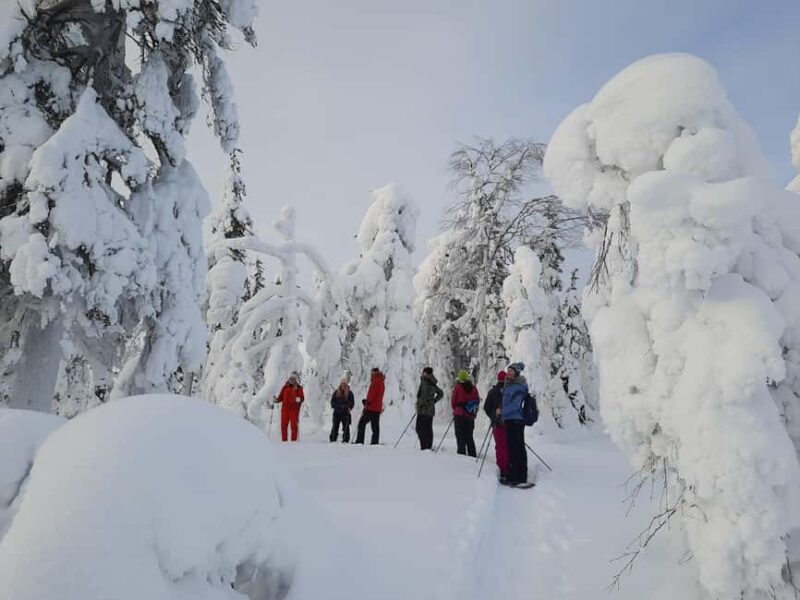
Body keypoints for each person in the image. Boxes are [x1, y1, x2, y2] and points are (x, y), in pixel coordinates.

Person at [501, 362, 529, 485]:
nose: (509, 373)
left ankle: (515, 477)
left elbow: (515, 405)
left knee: (515, 448)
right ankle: (520, 476)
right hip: (511, 420)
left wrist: (502, 411)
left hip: (515, 420)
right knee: (517, 447)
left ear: (516, 372)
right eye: (508, 371)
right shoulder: (511, 385)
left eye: (511, 371)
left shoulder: (518, 386)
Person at [483, 370, 509, 479]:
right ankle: (508, 468)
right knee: (508, 446)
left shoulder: (492, 392)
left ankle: (502, 469)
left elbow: (486, 407)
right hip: (509, 424)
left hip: (497, 424)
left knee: (500, 446)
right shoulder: (509, 391)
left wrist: (493, 416)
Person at [450, 370, 479, 457]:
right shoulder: (474, 388)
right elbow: (477, 400)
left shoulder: (458, 387)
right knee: (469, 436)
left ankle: (461, 455)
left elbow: (453, 401)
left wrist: (455, 409)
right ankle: (472, 454)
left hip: (460, 415)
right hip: (470, 415)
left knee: (460, 436)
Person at [415, 367, 443, 450]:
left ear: (426, 373)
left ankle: (425, 446)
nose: (422, 373)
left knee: (420, 428)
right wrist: (433, 401)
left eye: (423, 372)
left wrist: (421, 403)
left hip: (424, 409)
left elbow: (424, 396)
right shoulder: (430, 381)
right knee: (427, 428)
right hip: (428, 409)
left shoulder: (426, 382)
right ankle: (427, 445)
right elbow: (440, 393)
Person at [356, 367, 384, 445]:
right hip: (377, 408)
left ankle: (359, 441)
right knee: (375, 427)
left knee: (362, 423)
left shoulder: (375, 381)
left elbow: (372, 394)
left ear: (375, 373)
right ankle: (374, 443)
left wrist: (367, 402)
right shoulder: (381, 382)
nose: (371, 375)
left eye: (372, 373)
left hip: (371, 407)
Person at [274, 371, 304, 442]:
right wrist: (276, 400)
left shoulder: (299, 388)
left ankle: (293, 442)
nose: (291, 380)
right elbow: (280, 397)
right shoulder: (285, 387)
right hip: (285, 410)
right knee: (283, 426)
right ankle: (284, 441)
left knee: (294, 426)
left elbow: (302, 398)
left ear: (296, 379)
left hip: (294, 410)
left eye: (293, 378)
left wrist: (299, 399)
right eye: (290, 378)